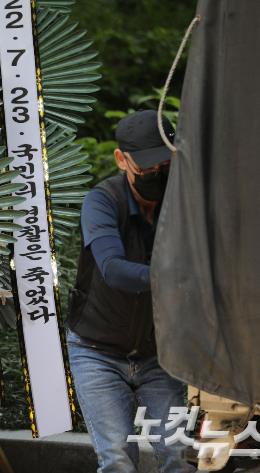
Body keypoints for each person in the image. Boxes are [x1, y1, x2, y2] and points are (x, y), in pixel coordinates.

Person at [66, 110, 194, 473]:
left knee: (179, 456)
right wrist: (181, 278)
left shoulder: (184, 203)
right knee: (118, 460)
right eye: (148, 167)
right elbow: (114, 270)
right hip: (96, 351)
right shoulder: (102, 201)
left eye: (166, 164)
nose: (158, 174)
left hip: (159, 354)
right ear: (122, 160)